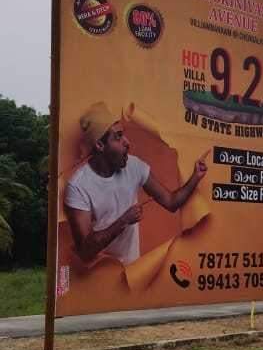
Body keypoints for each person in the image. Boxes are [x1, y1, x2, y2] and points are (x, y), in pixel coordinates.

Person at [64, 101, 207, 265]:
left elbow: (171, 202)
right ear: (100, 145)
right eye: (118, 137)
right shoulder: (78, 187)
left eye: (123, 135)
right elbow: (85, 252)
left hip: (130, 274)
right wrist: (123, 221)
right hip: (97, 278)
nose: (127, 142)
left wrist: (196, 176)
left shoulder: (134, 166)